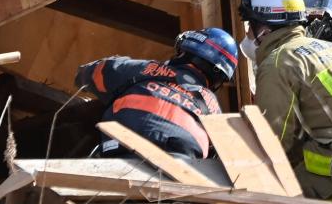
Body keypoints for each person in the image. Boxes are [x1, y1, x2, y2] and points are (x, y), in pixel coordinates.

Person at [242, 0, 332, 199]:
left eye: (250, 27)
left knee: (273, 202)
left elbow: (273, 142)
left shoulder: (277, 63)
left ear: (264, 30)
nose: (247, 34)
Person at [76, 27, 236, 160]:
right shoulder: (213, 108)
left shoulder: (146, 70)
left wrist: (83, 76)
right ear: (219, 77)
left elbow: (94, 73)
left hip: (123, 156)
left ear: (184, 51)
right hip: (182, 175)